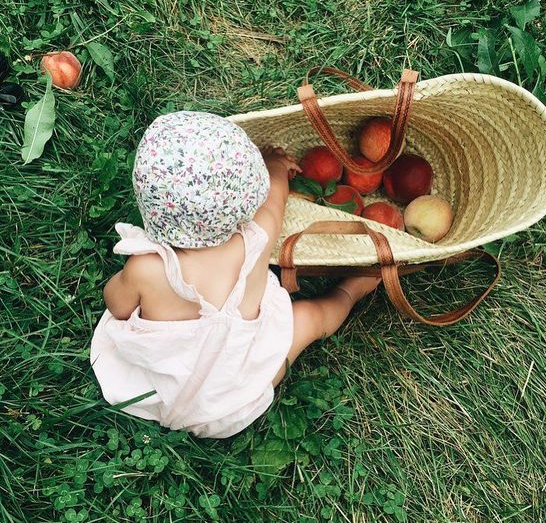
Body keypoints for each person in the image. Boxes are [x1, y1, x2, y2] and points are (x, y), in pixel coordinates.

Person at [90, 111, 381, 438]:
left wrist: (123, 286)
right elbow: (274, 201)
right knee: (310, 319)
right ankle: (350, 291)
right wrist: (276, 167)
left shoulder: (147, 268)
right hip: (231, 401)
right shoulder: (255, 240)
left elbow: (117, 306)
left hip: (155, 390)